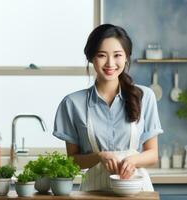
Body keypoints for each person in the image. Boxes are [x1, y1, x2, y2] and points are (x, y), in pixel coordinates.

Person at [53, 24, 163, 191]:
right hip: (93, 191)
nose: (110, 63)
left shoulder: (145, 96)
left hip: (136, 190)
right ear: (91, 58)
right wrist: (99, 156)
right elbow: (72, 161)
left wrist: (132, 160)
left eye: (117, 55)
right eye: (102, 55)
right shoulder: (72, 103)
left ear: (126, 57)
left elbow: (153, 154)